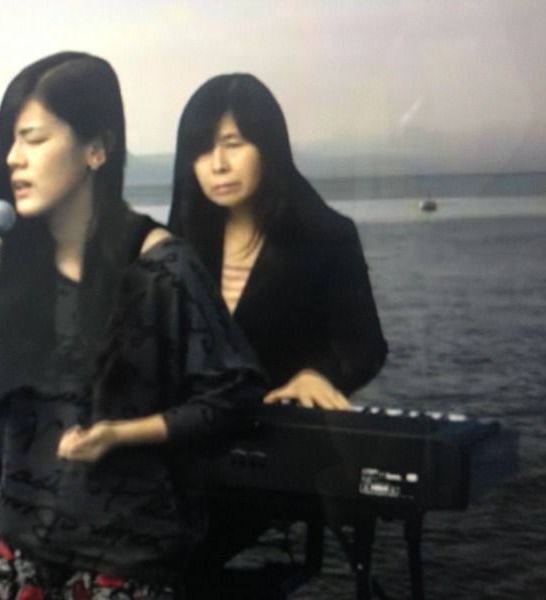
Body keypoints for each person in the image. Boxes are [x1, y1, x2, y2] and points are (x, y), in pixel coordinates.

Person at [0, 53, 266, 600]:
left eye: (33, 139)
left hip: (129, 560)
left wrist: (122, 434)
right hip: (23, 548)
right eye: (10, 142)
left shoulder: (161, 267)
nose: (13, 159)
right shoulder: (14, 264)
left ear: (98, 148)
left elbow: (234, 395)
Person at [168, 73, 388, 596]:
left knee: (168, 557)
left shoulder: (327, 238)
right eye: (202, 151)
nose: (217, 164)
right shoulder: (175, 244)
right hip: (177, 451)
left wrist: (320, 375)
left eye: (233, 144)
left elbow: (364, 345)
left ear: (268, 146)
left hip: (270, 453)